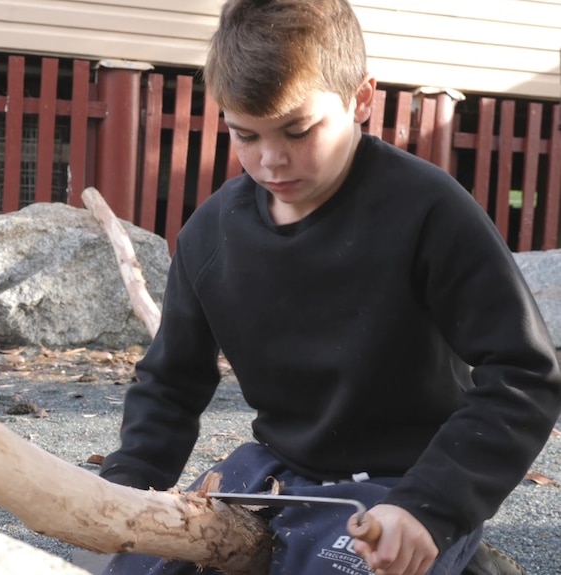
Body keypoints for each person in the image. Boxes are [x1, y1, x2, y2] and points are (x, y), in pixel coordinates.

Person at [97, 1, 561, 574]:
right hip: (276, 470)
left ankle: (465, 558)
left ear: (361, 98)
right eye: (245, 135)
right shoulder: (212, 234)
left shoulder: (428, 211)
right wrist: (125, 486)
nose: (270, 160)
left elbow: (523, 373)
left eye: (298, 130)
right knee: (134, 561)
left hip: (407, 481)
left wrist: (433, 506)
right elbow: (170, 383)